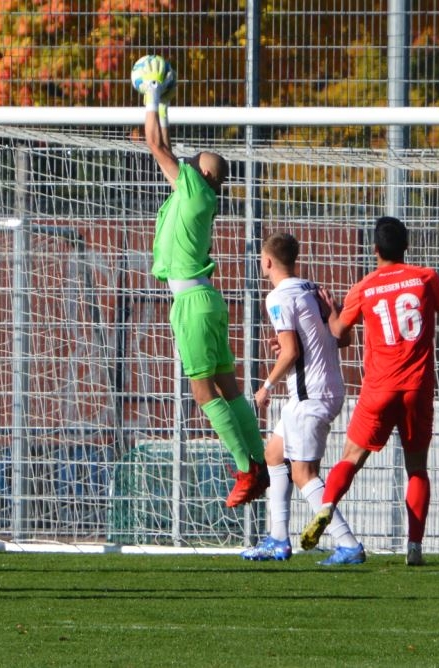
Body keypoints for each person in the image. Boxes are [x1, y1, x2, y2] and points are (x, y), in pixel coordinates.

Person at [136, 61, 267, 507]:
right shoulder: (198, 195)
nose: (184, 166)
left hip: (192, 302)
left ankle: (246, 468)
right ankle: (259, 462)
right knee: (230, 387)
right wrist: (164, 108)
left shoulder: (192, 190)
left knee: (203, 390)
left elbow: (156, 144)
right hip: (208, 298)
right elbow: (166, 146)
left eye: (192, 166)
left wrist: (152, 94)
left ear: (201, 176)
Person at [300, 217, 439, 566]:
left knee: (351, 457)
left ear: (375, 250)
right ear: (407, 246)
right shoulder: (426, 277)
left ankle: (327, 506)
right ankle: (414, 547)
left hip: (378, 388)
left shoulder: (364, 287)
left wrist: (331, 311)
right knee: (417, 468)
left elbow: (339, 332)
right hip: (417, 388)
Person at [247, 232, 364, 565]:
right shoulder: (312, 289)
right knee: (274, 453)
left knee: (303, 473)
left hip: (309, 395)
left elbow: (291, 352)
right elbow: (341, 340)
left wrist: (266, 386)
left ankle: (348, 544)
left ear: (267, 261)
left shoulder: (278, 297)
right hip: (324, 388)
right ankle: (278, 539)